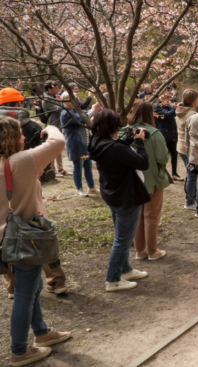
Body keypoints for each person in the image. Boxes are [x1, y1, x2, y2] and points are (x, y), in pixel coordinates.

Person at [0, 116, 72, 366]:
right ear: (10, 137)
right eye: (20, 133)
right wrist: (48, 127)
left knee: (31, 288)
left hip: (4, 239)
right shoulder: (23, 160)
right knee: (24, 293)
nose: (23, 137)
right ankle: (19, 350)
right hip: (26, 238)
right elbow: (59, 141)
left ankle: (42, 332)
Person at [0, 88, 69, 299]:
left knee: (9, 248)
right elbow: (54, 144)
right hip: (30, 206)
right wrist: (50, 126)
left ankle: (12, 286)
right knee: (41, 238)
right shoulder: (29, 131)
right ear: (19, 103)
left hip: (4, 222)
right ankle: (55, 281)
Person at [88, 109, 151, 292]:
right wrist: (139, 142)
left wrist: (129, 140)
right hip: (126, 197)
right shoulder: (115, 147)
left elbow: (116, 150)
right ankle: (113, 280)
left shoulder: (96, 142)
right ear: (112, 126)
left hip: (111, 194)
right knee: (123, 239)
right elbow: (142, 163)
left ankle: (125, 270)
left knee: (121, 236)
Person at [119, 101, 171, 261]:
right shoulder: (155, 133)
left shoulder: (123, 132)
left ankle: (140, 250)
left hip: (131, 181)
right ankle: (152, 251)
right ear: (150, 114)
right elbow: (162, 158)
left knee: (138, 216)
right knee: (151, 216)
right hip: (152, 180)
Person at [59, 92, 100, 197]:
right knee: (78, 166)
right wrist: (94, 109)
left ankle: (91, 187)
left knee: (88, 165)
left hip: (84, 145)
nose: (76, 101)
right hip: (76, 146)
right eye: (74, 99)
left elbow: (84, 112)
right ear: (67, 101)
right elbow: (82, 117)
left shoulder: (73, 111)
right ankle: (79, 189)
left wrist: (94, 109)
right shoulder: (66, 113)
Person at [176, 89, 198, 209]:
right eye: (197, 99)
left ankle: (192, 199)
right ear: (192, 101)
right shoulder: (192, 115)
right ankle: (190, 201)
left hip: (181, 147)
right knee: (192, 174)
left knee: (191, 173)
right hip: (188, 149)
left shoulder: (179, 110)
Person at [41, 80, 67, 177]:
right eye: (56, 88)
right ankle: (52, 169)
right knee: (52, 148)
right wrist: (66, 104)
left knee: (59, 147)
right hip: (52, 125)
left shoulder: (54, 97)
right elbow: (59, 108)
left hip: (58, 124)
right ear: (49, 89)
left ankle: (60, 168)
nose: (58, 90)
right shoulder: (46, 99)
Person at [154, 92, 180, 181]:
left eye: (168, 97)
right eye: (165, 96)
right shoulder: (156, 107)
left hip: (172, 133)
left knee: (174, 154)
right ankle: (162, 174)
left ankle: (174, 173)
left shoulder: (168, 106)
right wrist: (175, 107)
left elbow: (173, 113)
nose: (167, 98)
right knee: (164, 155)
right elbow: (167, 115)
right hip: (163, 134)